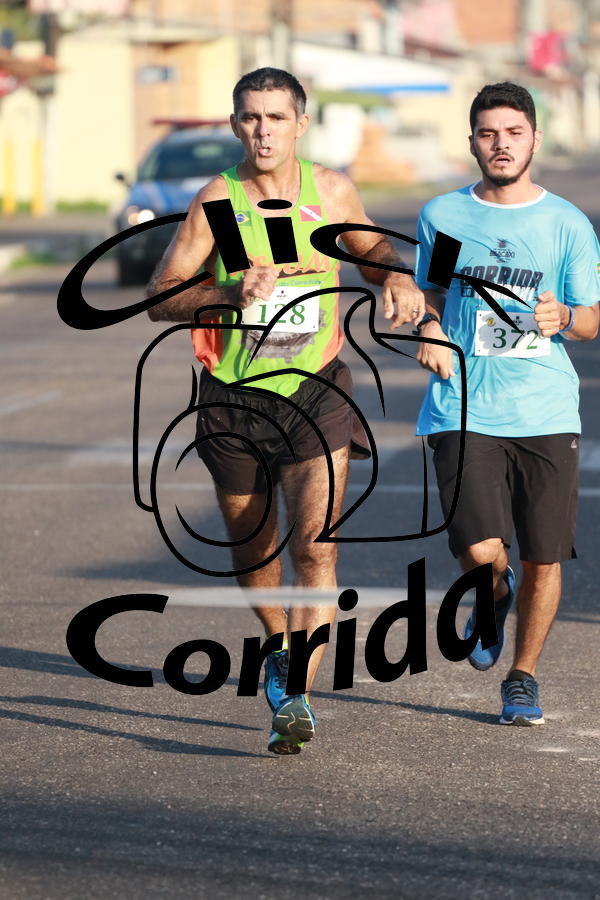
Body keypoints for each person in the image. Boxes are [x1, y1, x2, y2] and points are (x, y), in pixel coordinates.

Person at [145, 67, 424, 753]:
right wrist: (229, 293)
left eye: (276, 117)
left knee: (315, 546)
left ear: (300, 123)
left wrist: (397, 279)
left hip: (316, 391)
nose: (263, 130)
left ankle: (294, 693)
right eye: (250, 118)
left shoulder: (331, 191)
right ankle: (278, 645)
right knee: (254, 548)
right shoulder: (218, 201)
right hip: (233, 399)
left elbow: (371, 251)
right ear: (236, 124)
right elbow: (159, 298)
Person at [412, 82, 599, 725]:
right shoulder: (444, 215)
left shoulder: (567, 223)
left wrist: (564, 314)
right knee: (481, 550)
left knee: (544, 553)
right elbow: (429, 295)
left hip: (545, 408)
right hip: (462, 405)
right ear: (472, 141)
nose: (501, 144)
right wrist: (429, 329)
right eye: (488, 133)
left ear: (534, 139)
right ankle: (491, 594)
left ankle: (522, 677)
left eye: (513, 132)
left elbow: (591, 321)